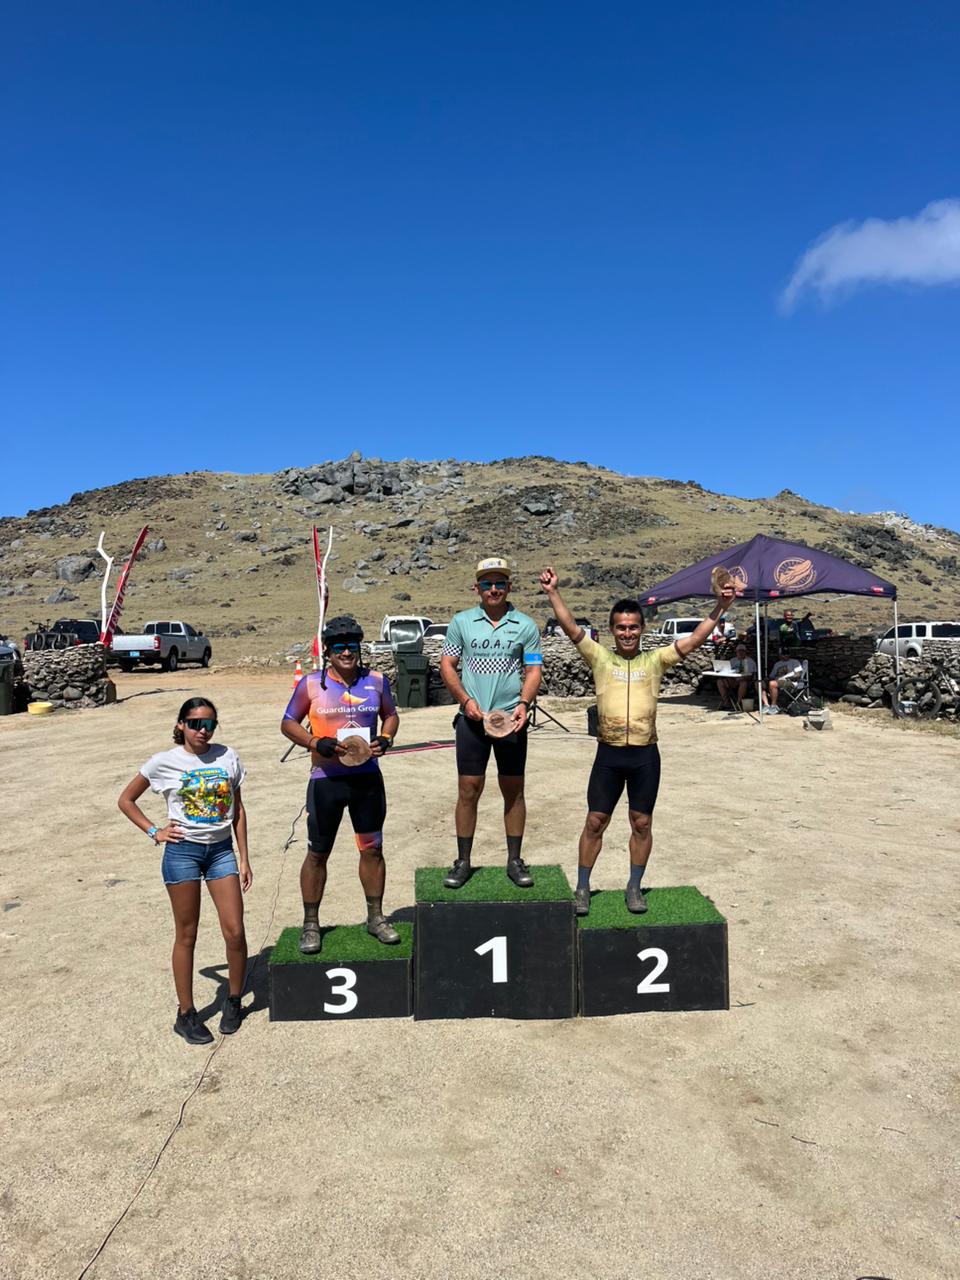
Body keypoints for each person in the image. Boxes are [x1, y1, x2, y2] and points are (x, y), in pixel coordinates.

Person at [539, 567, 736, 917]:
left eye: (633, 627)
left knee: (641, 823)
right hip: (609, 756)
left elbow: (693, 640)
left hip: (645, 756)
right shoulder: (600, 658)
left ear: (642, 629)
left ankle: (634, 886)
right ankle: (582, 887)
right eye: (621, 627)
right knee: (595, 821)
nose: (627, 633)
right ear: (612, 630)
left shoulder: (654, 661)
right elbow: (570, 628)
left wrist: (721, 607)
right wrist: (553, 592)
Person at [118, 697, 252, 1045]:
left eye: (209, 724)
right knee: (187, 934)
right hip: (183, 854)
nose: (202, 730)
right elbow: (126, 800)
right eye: (195, 723)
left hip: (221, 851)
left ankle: (233, 1000)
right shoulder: (164, 762)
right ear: (181, 725)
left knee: (234, 930)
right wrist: (154, 831)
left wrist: (244, 857)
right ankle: (186, 1013)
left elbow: (238, 810)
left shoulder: (227, 756)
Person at [281, 615, 401, 951]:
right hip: (326, 781)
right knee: (317, 853)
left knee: (372, 849)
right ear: (328, 651)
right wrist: (313, 742)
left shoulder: (376, 681)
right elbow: (288, 722)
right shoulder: (311, 685)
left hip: (366, 780)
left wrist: (387, 737)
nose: (346, 652)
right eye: (339, 647)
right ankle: (310, 924)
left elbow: (391, 715)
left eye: (351, 646)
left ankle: (376, 917)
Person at [439, 556, 543, 888]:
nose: (494, 589)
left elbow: (533, 669)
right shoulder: (461, 622)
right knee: (468, 789)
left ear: (509, 587)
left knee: (513, 790)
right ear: (477, 588)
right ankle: (463, 861)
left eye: (499, 583)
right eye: (487, 583)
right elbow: (447, 664)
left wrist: (524, 704)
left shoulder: (525, 625)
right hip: (471, 720)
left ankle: (514, 860)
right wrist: (465, 701)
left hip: (510, 720)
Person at [719, 643, 757, 709]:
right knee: (720, 682)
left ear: (745, 652)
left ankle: (738, 703)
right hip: (733, 680)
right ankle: (726, 702)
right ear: (736, 652)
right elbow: (727, 671)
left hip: (745, 681)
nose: (740, 652)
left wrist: (740, 679)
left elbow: (751, 676)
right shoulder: (732, 660)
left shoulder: (750, 661)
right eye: (739, 651)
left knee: (743, 683)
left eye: (742, 651)